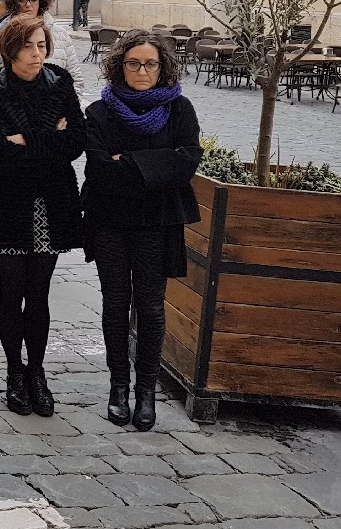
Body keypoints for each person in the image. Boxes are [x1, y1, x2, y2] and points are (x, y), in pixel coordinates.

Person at [83, 30, 202, 431]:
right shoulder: (100, 112)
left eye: (150, 63)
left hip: (158, 223)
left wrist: (128, 162)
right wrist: (153, 165)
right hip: (110, 221)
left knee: (150, 306)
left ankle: (146, 391)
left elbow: (186, 162)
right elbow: (99, 169)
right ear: (120, 66)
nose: (142, 70)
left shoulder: (180, 109)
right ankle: (119, 387)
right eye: (133, 63)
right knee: (116, 303)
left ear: (162, 67)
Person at [0, 15, 86, 418]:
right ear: (9, 49)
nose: (37, 54)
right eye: (28, 47)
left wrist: (25, 140)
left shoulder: (59, 82)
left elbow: (76, 142)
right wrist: (47, 138)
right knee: (11, 291)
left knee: (39, 293)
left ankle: (37, 372)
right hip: (7, 201)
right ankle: (14, 373)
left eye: (42, 45)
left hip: (51, 203)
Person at [0, 0, 84, 97]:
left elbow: (75, 79)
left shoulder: (61, 35)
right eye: (22, 0)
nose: (28, 5)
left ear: (41, 1)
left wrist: (68, 110)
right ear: (14, 2)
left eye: (33, 0)